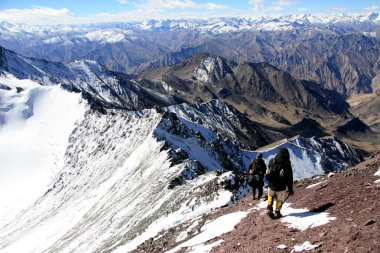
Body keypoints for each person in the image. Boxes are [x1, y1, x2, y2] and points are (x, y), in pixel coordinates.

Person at [265, 148, 294, 219]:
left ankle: (269, 208)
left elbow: (268, 172)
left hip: (271, 184)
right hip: (281, 186)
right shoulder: (287, 163)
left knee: (270, 195)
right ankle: (277, 212)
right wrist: (290, 189)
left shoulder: (272, 160)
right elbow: (290, 177)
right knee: (279, 199)